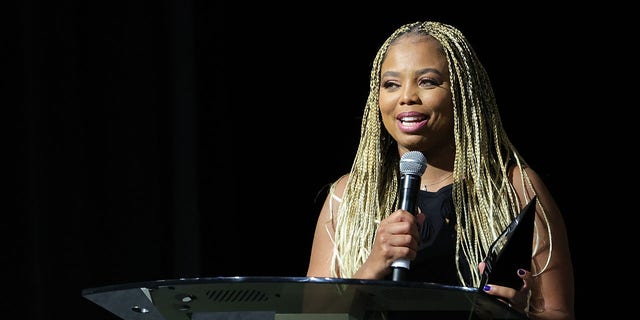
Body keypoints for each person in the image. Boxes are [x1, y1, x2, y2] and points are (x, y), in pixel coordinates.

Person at [306, 20, 574, 319]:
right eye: (391, 84)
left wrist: (511, 313)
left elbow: (558, 312)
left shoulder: (513, 188)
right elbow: (311, 316)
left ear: (462, 93)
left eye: (428, 81)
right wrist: (372, 267)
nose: (407, 96)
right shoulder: (348, 196)